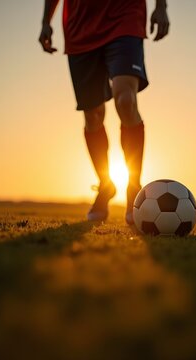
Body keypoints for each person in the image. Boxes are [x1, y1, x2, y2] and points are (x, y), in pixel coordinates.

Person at [39, 0, 169, 224]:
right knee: (93, 115)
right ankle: (105, 185)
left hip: (124, 17)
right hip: (80, 27)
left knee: (126, 101)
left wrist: (161, 7)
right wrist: (45, 21)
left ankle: (134, 188)